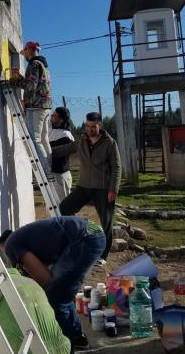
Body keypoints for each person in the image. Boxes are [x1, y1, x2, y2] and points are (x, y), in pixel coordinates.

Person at [5, 216, 106, 354]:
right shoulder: (24, 238)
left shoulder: (11, 246)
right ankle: (78, 338)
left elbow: (44, 278)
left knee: (56, 299)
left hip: (84, 239)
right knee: (63, 293)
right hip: (90, 234)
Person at [59, 112, 121, 263]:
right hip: (84, 186)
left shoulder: (110, 143)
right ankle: (82, 236)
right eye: (87, 125)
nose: (89, 129)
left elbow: (117, 167)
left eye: (93, 126)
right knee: (65, 207)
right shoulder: (81, 140)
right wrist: (48, 152)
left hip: (103, 188)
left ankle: (102, 256)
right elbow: (67, 149)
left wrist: (113, 188)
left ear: (100, 125)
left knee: (106, 222)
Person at [10, 41, 53, 177]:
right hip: (45, 106)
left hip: (35, 107)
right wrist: (21, 77)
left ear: (29, 50)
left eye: (25, 52)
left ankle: (46, 171)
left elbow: (30, 86)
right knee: (44, 139)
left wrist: (14, 81)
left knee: (35, 140)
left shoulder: (34, 64)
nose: (24, 55)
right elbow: (35, 84)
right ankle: (50, 166)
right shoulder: (43, 65)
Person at [49, 107, 76, 202]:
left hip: (60, 176)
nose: (51, 116)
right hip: (53, 175)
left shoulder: (65, 135)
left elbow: (57, 156)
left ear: (61, 119)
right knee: (52, 209)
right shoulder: (52, 131)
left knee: (63, 208)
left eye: (54, 115)